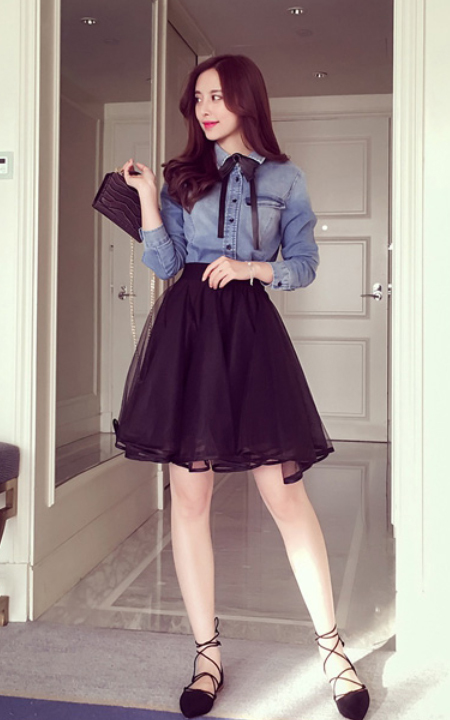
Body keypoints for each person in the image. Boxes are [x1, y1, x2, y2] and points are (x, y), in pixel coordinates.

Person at [114, 55, 370, 720]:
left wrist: (253, 268)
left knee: (285, 496)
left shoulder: (286, 178)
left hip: (251, 337)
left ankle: (333, 651)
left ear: (246, 100)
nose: (205, 108)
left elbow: (304, 264)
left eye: (218, 96)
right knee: (189, 498)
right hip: (188, 335)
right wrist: (148, 197)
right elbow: (167, 263)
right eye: (198, 97)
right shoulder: (181, 176)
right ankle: (207, 657)